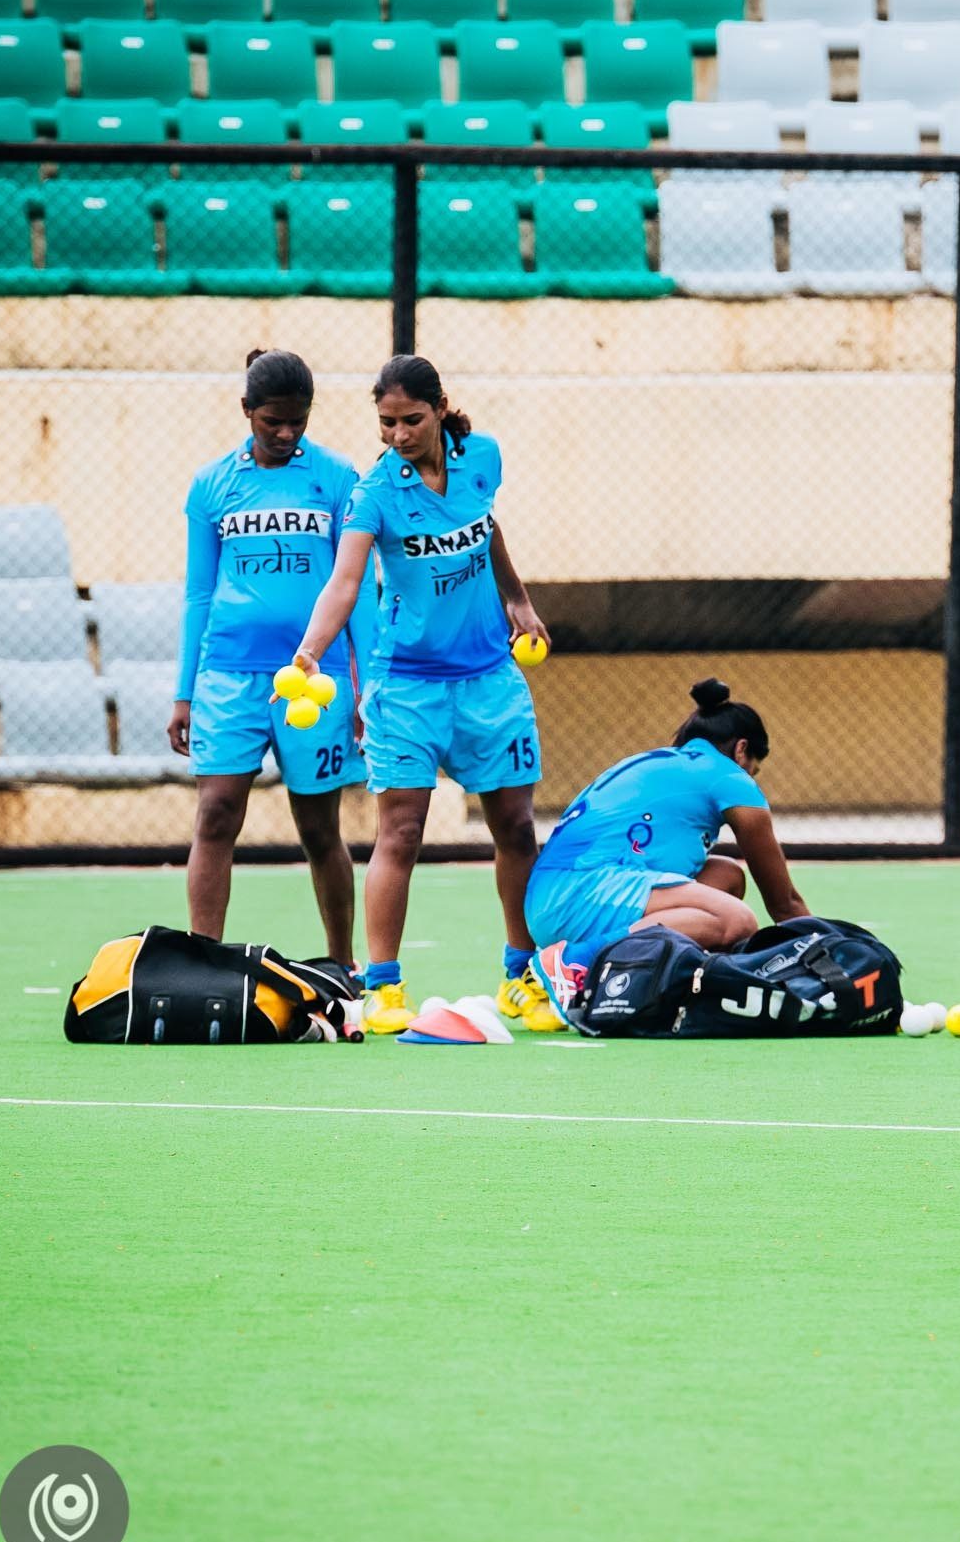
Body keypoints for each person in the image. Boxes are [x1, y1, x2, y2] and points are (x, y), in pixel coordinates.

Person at [292, 355, 551, 1035]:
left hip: (491, 679)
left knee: (517, 828)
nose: (399, 434)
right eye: (386, 423)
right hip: (406, 687)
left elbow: (485, 525)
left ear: (440, 408)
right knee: (400, 833)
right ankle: (383, 987)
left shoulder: (481, 459)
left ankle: (521, 976)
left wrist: (517, 599)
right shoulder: (374, 494)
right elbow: (345, 582)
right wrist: (311, 653)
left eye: (411, 420)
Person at [169, 349, 376, 964]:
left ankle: (342, 963)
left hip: (317, 679)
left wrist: (367, 681)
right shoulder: (212, 485)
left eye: (299, 421)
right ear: (247, 412)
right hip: (228, 675)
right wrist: (185, 691)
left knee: (319, 830)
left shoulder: (338, 479)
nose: (287, 434)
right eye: (273, 423)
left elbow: (355, 587)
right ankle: (203, 965)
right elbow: (199, 592)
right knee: (216, 815)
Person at [528, 680, 811, 1023]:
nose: (752, 778)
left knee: (727, 877)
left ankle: (647, 981)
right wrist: (828, 963)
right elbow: (784, 904)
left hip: (554, 901)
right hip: (583, 894)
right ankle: (577, 962)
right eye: (754, 768)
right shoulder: (727, 776)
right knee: (736, 921)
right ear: (741, 750)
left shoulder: (665, 763)